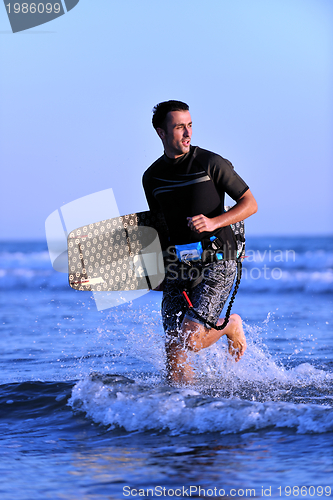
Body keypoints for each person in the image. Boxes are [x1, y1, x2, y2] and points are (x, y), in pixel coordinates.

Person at [143, 100, 258, 384]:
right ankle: (187, 413)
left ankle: (230, 325)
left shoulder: (210, 163)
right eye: (179, 127)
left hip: (218, 260)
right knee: (173, 351)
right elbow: (160, 227)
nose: (187, 133)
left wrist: (214, 222)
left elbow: (250, 203)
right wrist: (158, 272)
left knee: (191, 340)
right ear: (161, 132)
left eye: (190, 125)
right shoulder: (152, 177)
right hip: (178, 266)